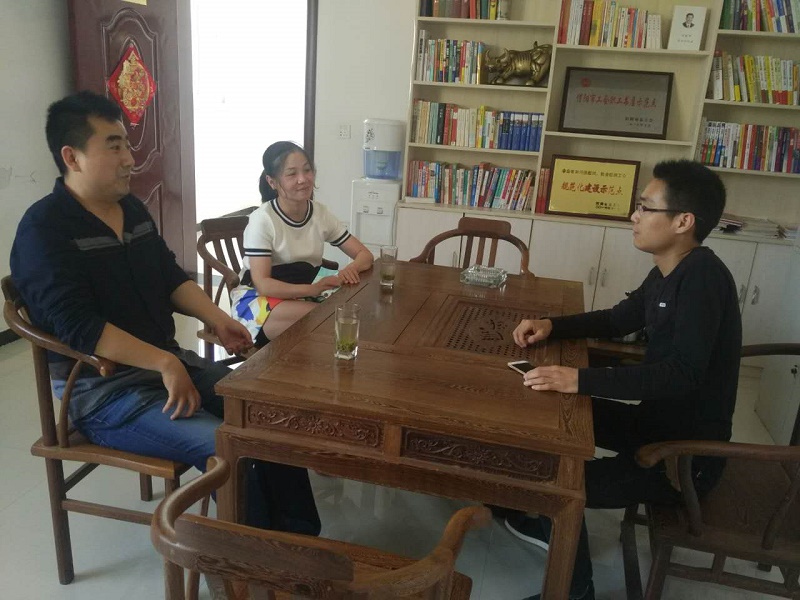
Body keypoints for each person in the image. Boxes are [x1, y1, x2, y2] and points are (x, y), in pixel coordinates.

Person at [10, 91, 320, 535]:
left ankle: (298, 543)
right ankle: (248, 566)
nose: (129, 158)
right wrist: (164, 362)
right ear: (72, 157)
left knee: (269, 415)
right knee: (228, 450)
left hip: (167, 367)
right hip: (104, 393)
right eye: (114, 146)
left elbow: (170, 278)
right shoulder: (44, 229)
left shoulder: (132, 210)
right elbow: (79, 327)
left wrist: (219, 319)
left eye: (127, 144)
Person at [508, 160, 742, 600]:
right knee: (546, 411)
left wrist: (581, 379)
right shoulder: (670, 269)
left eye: (646, 207)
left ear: (683, 221)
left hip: (683, 458)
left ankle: (575, 591)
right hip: (654, 425)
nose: (634, 216)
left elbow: (681, 374)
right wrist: (552, 325)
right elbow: (618, 319)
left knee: (556, 481)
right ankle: (534, 518)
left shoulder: (703, 279)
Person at [231, 141, 373, 344]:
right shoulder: (262, 220)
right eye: (291, 174)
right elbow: (263, 284)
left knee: (359, 313)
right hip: (258, 301)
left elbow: (365, 255)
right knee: (332, 321)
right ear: (272, 182)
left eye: (307, 170)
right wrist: (312, 290)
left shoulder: (320, 213)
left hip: (302, 294)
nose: (303, 179)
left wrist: (352, 268)